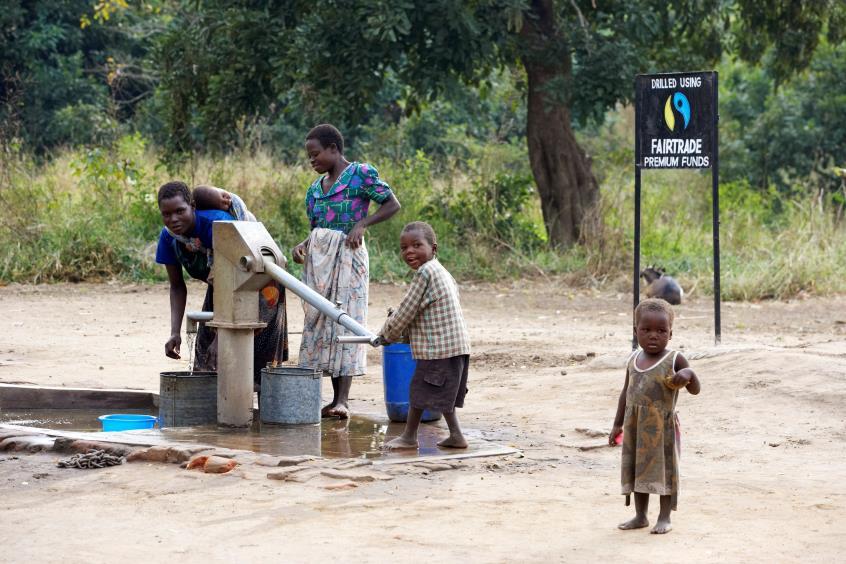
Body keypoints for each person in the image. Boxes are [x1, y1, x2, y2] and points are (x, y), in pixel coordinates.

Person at [292, 124, 400, 419]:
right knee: (322, 322)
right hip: (320, 261)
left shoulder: (360, 174)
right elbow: (317, 229)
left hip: (349, 258)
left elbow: (392, 204)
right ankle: (331, 398)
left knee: (346, 319)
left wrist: (363, 224)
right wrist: (303, 245)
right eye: (309, 157)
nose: (312, 161)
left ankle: (343, 400)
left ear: (333, 149)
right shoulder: (315, 190)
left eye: (315, 155)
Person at [155, 181, 288, 387]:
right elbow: (177, 286)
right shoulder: (170, 238)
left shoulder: (217, 226)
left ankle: (264, 416)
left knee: (260, 354)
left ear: (193, 206)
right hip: (221, 285)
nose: (173, 219)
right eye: (167, 214)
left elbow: (238, 273)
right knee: (206, 358)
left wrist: (222, 338)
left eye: (180, 211)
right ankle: (211, 414)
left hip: (262, 281)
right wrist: (175, 332)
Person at [608, 298, 701, 534]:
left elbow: (695, 389)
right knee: (638, 470)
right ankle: (640, 516)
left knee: (664, 471)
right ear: (635, 330)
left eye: (661, 331)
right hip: (635, 426)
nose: (653, 335)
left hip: (662, 428)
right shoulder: (633, 359)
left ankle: (665, 517)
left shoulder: (674, 359)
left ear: (670, 334)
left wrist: (689, 373)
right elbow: (625, 393)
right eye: (646, 330)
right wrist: (617, 424)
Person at [378, 222, 471, 450]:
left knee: (419, 391)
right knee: (440, 391)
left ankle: (409, 437)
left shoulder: (425, 272)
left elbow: (407, 310)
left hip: (438, 348)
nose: (409, 251)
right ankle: (457, 435)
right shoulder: (441, 271)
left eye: (417, 245)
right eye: (404, 248)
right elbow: (421, 311)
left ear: (433, 248)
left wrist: (386, 334)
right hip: (455, 346)